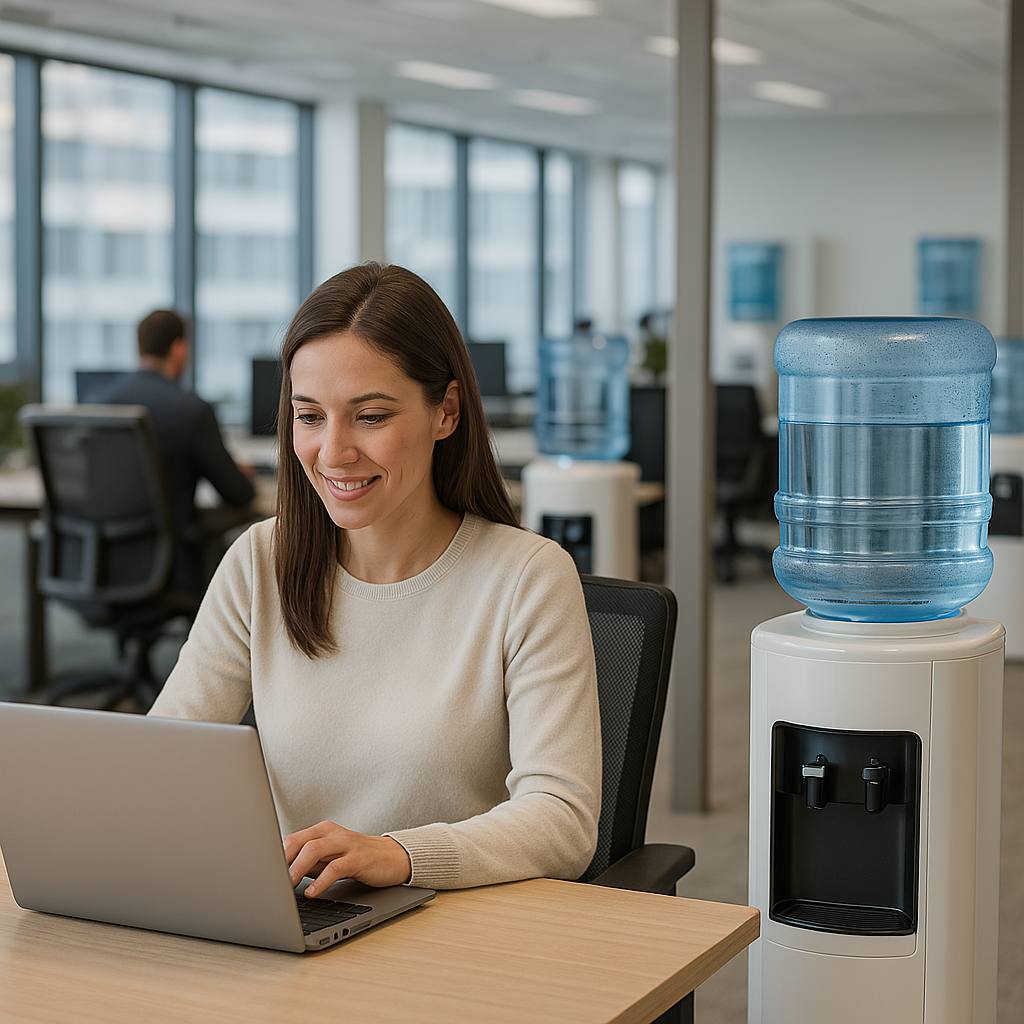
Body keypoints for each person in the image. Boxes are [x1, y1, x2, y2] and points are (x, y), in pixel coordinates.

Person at [149, 263, 602, 893]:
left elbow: (563, 822)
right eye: (310, 416)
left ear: (446, 412)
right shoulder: (262, 560)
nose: (333, 453)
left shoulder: (527, 577)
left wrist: (400, 855)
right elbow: (158, 761)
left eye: (370, 417)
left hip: (461, 934)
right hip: (300, 925)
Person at [98, 310, 257, 596]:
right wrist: (236, 471)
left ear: (140, 347)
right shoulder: (191, 411)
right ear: (179, 348)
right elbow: (239, 494)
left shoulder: (98, 403)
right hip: (170, 566)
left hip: (102, 560)